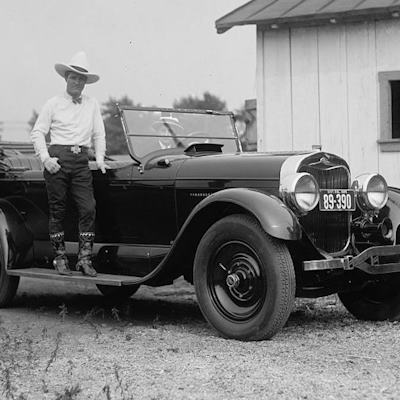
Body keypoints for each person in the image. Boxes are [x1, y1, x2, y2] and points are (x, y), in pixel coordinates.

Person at [31, 51, 108, 277]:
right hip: (58, 160)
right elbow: (38, 133)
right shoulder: (53, 104)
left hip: (81, 161)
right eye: (74, 77)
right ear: (66, 78)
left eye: (81, 79)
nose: (77, 82)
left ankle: (84, 260)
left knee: (88, 208)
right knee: (58, 210)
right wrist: (46, 159)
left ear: (86, 82)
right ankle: (60, 258)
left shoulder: (92, 104)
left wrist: (101, 159)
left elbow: (99, 134)